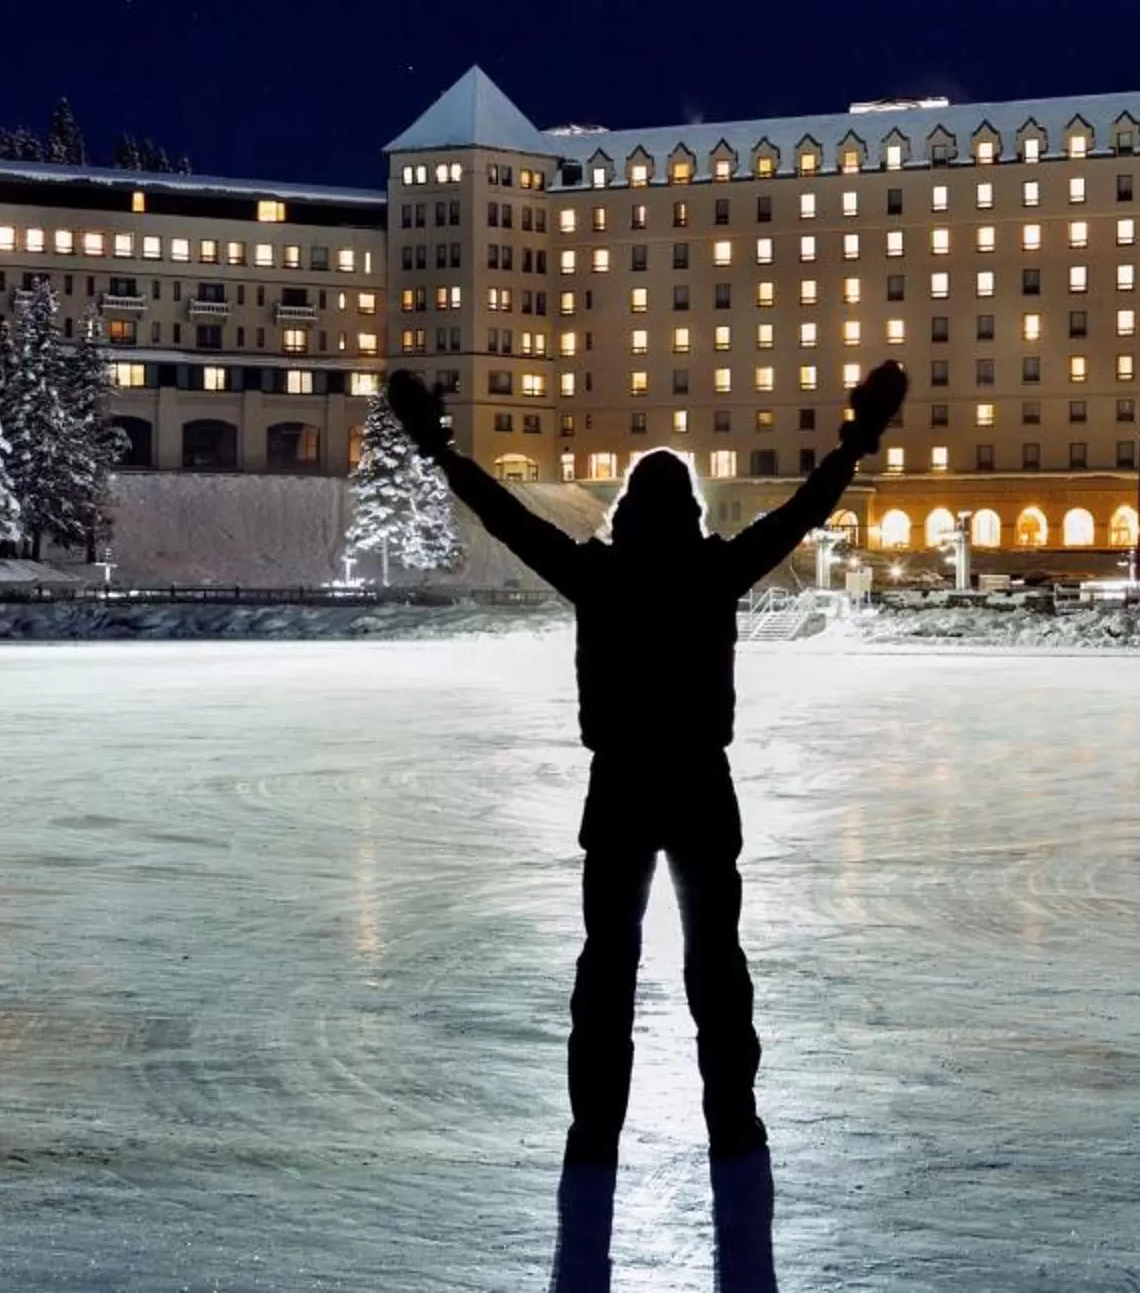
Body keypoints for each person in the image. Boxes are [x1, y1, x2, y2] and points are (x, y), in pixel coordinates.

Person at [384, 360, 908, 1180]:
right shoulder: (714, 571)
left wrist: (437, 448)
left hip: (622, 788)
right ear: (692, 512)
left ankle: (595, 1131)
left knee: (607, 967)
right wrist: (856, 441)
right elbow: (805, 509)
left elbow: (503, 516)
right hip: (701, 787)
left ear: (627, 511)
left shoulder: (600, 576)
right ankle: (733, 1124)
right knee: (717, 965)